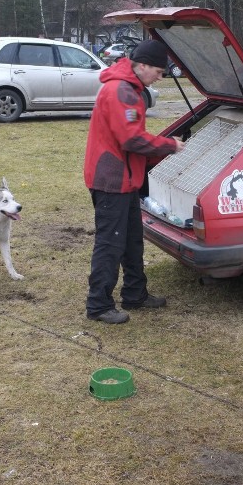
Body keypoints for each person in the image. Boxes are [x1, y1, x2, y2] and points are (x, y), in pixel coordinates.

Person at [83, 39, 184, 324]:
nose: (160, 78)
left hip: (125, 179)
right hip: (111, 181)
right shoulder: (122, 91)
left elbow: (130, 137)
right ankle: (99, 305)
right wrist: (168, 145)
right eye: (158, 72)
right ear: (142, 66)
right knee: (110, 244)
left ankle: (135, 294)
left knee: (131, 241)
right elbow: (131, 139)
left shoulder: (130, 88)